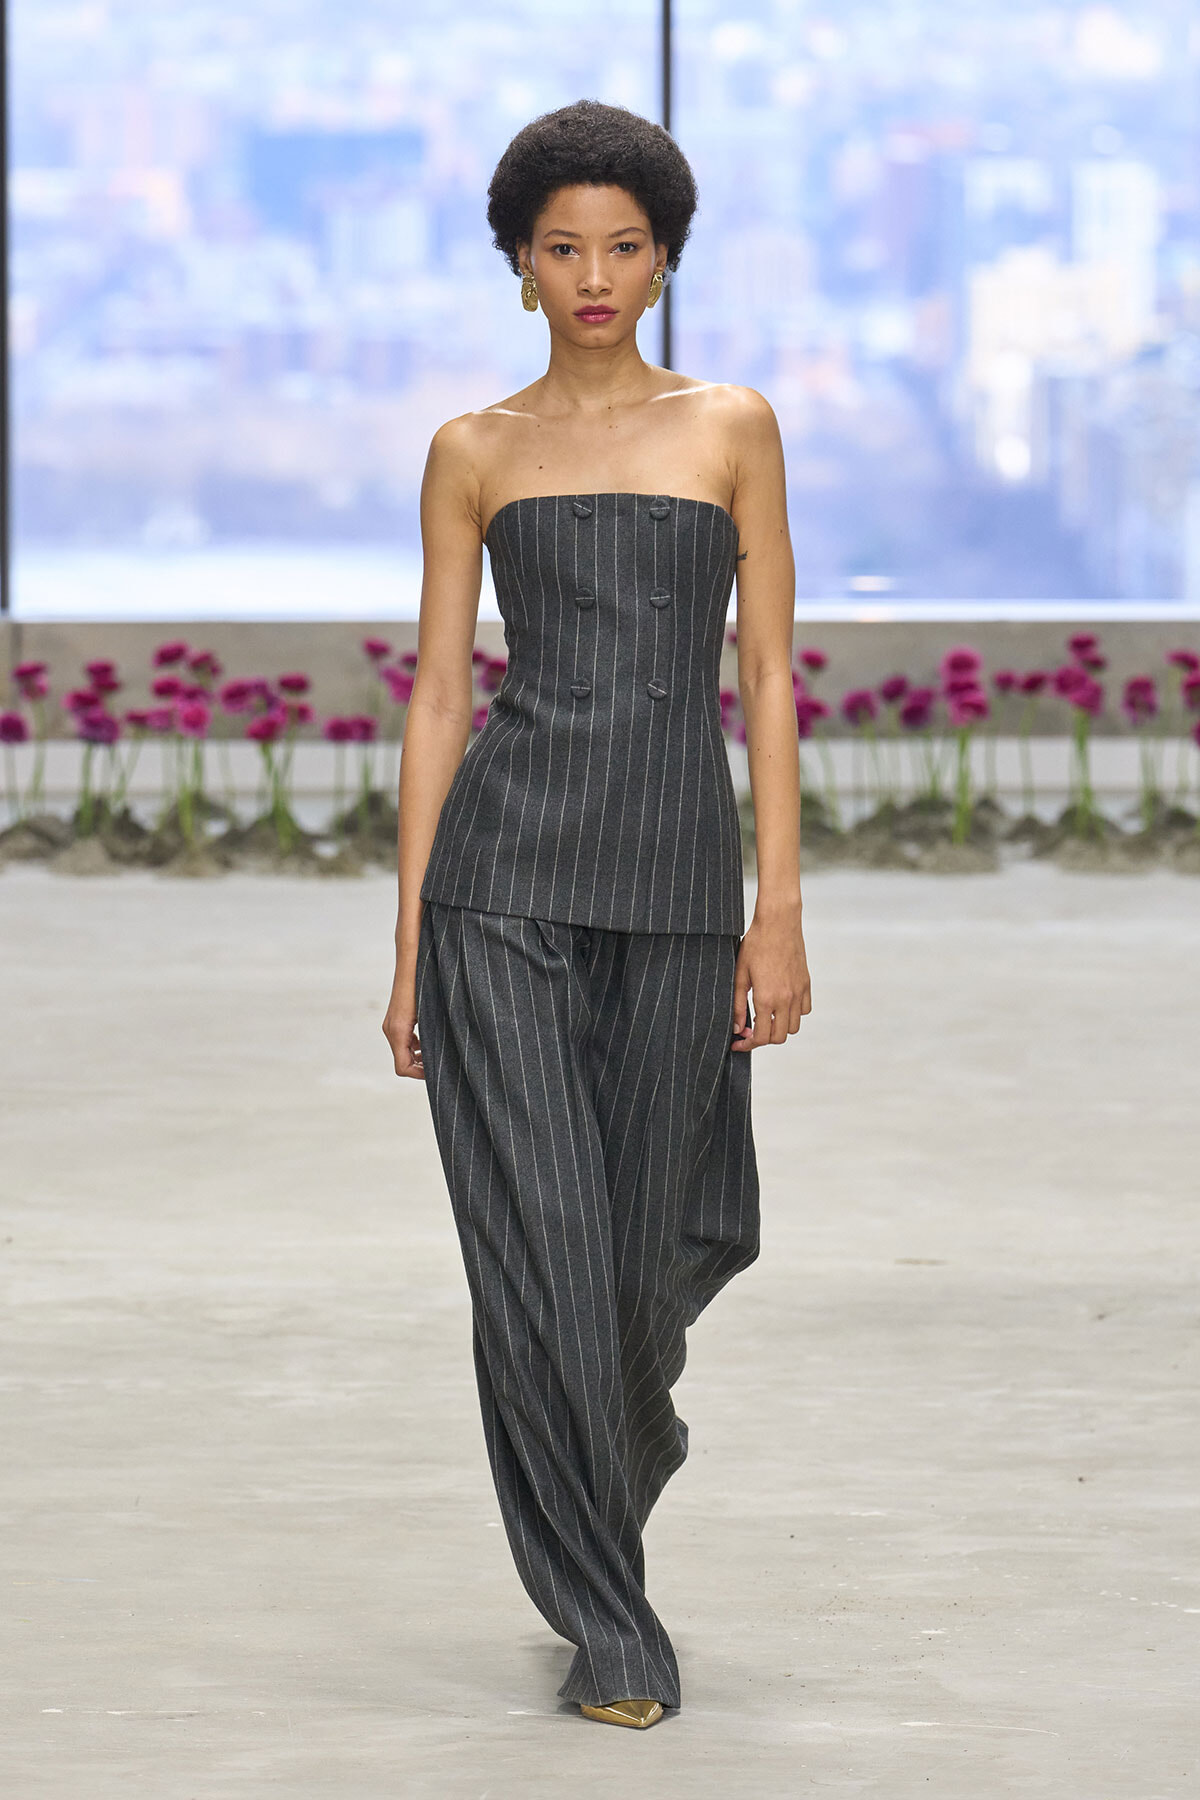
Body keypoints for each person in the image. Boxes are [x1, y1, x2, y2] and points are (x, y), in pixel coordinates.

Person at [382, 97, 811, 1731]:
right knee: (541, 1255)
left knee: (653, 1262)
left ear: (664, 259)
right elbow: (436, 696)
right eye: (561, 248)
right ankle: (612, 1625)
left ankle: (602, 1491)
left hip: (682, 885)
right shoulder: (476, 450)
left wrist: (780, 909)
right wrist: (411, 936)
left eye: (623, 247)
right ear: (517, 264)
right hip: (501, 883)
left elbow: (767, 677)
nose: (593, 274)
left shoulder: (733, 428)